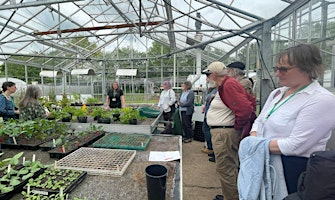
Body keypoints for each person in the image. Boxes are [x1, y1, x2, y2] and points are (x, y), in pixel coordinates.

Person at [248, 44, 335, 196]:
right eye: (276, 68)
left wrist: (254, 145)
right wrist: (255, 138)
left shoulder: (321, 99)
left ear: (307, 68)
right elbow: (260, 121)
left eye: (283, 69)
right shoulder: (277, 93)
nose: (277, 74)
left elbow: (295, 146)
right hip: (267, 160)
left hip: (292, 169)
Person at [203, 61, 256, 200]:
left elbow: (246, 109)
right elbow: (250, 100)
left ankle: (232, 197)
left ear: (214, 75)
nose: (207, 78)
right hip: (224, 132)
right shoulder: (225, 85)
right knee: (229, 168)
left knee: (226, 169)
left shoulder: (229, 84)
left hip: (224, 133)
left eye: (208, 75)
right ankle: (232, 195)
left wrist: (237, 127)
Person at [200, 73, 218, 162]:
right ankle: (212, 149)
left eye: (208, 77)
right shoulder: (213, 90)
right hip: (208, 114)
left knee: (212, 133)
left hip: (214, 117)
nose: (206, 80)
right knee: (206, 130)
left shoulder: (218, 90)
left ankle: (213, 150)